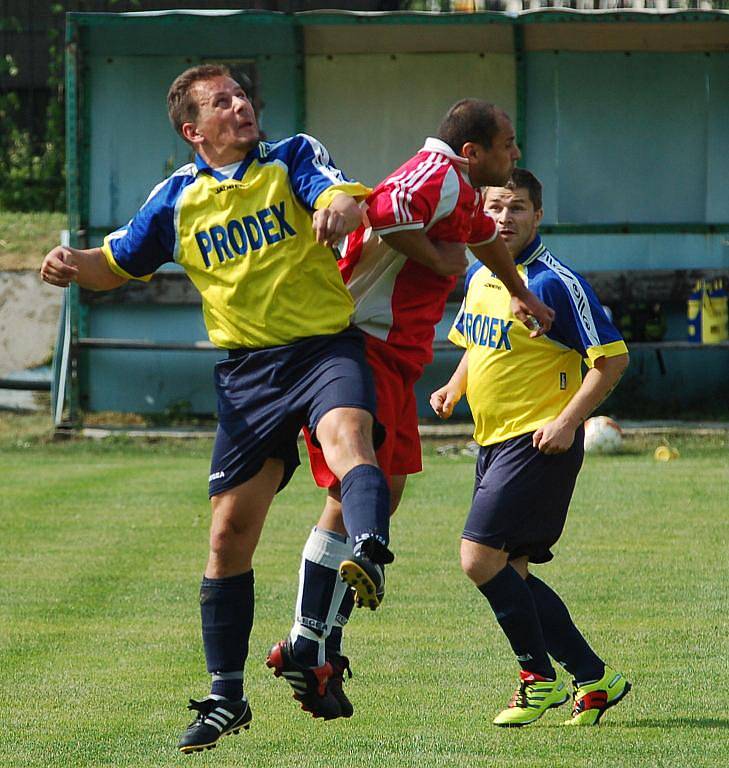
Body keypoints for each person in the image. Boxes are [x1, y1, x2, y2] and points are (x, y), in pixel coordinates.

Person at [39, 64, 396, 752]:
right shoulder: (175, 199)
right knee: (228, 535)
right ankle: (226, 698)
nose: (241, 106)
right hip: (247, 374)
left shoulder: (290, 156)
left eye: (241, 95)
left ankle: (369, 549)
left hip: (323, 348)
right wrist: (68, 262)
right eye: (222, 101)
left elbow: (341, 197)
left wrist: (340, 208)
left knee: (348, 437)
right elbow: (115, 265)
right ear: (191, 129)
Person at [273, 101, 556, 719]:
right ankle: (310, 643)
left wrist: (521, 293)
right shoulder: (437, 171)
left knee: (380, 491)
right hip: (361, 346)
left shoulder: (460, 192)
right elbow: (386, 209)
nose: (515, 156)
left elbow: (479, 240)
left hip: (391, 358)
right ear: (474, 151)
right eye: (508, 144)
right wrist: (435, 259)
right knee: (358, 493)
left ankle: (314, 644)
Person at [430, 168, 631, 727]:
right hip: (492, 440)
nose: (503, 218)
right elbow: (477, 342)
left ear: (538, 216)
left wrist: (568, 422)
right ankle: (595, 679)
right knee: (509, 571)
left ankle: (536, 677)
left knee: (478, 557)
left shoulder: (554, 282)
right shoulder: (481, 274)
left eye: (517, 208)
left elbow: (611, 359)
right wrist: (455, 385)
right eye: (494, 208)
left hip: (539, 440)